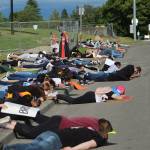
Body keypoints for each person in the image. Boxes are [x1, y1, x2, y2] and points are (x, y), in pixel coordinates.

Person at [2, 118, 113, 149]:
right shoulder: (99, 138)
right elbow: (88, 144)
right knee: (35, 147)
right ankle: (6, 148)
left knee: (33, 146)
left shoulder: (89, 128)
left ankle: (6, 147)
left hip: (53, 133)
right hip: (58, 139)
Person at [55, 85, 131, 104]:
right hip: (91, 96)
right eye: (120, 93)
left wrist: (121, 96)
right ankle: (58, 96)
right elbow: (117, 98)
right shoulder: (112, 93)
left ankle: (60, 96)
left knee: (75, 100)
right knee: (73, 101)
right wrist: (123, 97)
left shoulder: (111, 91)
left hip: (91, 95)